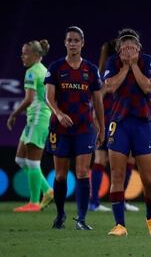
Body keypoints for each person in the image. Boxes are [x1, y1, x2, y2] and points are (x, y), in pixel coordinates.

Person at [45, 26, 105, 230]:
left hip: (84, 128)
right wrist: (59, 114)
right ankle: (60, 214)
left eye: (76, 40)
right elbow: (48, 97)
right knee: (60, 175)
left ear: (82, 43)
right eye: (69, 40)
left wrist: (102, 129)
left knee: (82, 173)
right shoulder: (55, 67)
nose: (72, 43)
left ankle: (81, 219)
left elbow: (98, 102)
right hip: (60, 129)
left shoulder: (91, 70)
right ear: (65, 43)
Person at [104, 28, 151, 237]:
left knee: (149, 179)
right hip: (119, 124)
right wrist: (126, 68)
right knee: (116, 175)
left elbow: (148, 87)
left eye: (133, 47)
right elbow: (110, 86)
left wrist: (134, 65)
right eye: (125, 47)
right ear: (118, 49)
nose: (129, 50)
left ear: (139, 49)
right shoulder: (113, 62)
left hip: (142, 125)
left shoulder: (147, 61)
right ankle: (120, 225)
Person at [89, 40, 139, 213]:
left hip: (116, 117)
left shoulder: (105, 70)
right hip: (111, 118)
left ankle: (100, 202)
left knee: (107, 159)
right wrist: (96, 114)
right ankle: (99, 201)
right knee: (121, 159)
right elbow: (100, 93)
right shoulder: (111, 71)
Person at [7, 39, 54, 212]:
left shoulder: (33, 72)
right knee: (20, 159)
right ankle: (47, 190)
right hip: (35, 120)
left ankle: (34, 202)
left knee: (33, 163)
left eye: (25, 53)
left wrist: (13, 114)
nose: (22, 57)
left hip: (38, 119)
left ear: (35, 55)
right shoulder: (42, 69)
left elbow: (29, 99)